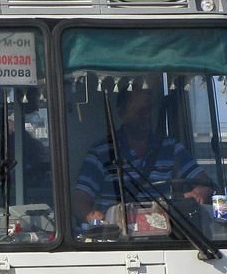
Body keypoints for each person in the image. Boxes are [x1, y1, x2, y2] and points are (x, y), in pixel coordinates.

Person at [71, 85, 213, 224]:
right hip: (117, 240)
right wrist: (95, 218)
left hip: (166, 237)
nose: (147, 115)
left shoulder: (172, 148)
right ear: (121, 113)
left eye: (149, 109)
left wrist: (200, 192)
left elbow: (204, 182)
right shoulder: (101, 153)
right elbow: (79, 202)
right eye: (140, 111)